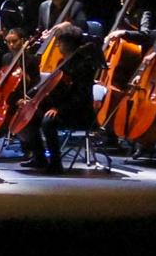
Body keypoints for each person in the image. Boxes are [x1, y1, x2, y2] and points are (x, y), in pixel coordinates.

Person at [21, 23, 100, 174]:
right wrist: (35, 101)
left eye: (59, 41)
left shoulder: (83, 65)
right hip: (62, 108)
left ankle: (56, 163)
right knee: (29, 115)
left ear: (69, 43)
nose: (57, 44)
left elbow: (80, 96)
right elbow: (57, 91)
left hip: (79, 112)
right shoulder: (63, 62)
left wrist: (59, 109)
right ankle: (40, 158)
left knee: (48, 121)